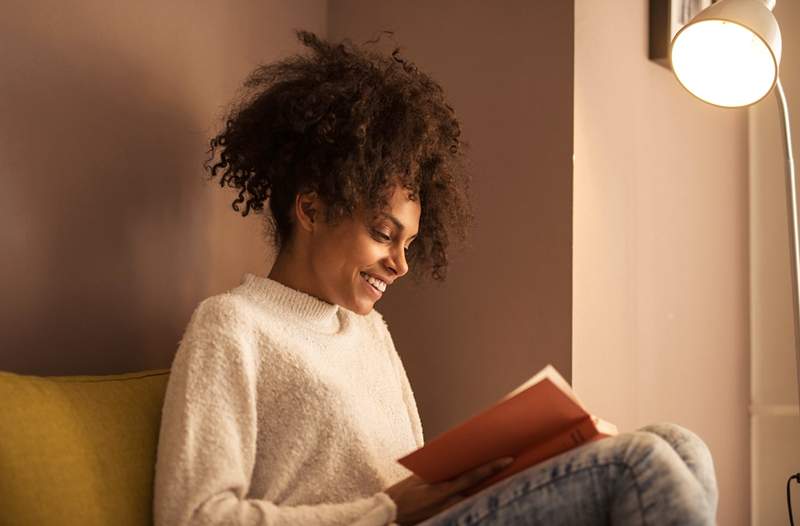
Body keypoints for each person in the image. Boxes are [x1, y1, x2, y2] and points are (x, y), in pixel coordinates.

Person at [152, 29, 719, 526]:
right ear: (312, 209)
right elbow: (194, 516)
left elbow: (418, 488)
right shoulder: (233, 327)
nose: (399, 265)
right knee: (637, 465)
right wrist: (386, 510)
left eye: (408, 244)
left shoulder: (369, 335)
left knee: (678, 444)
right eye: (383, 233)